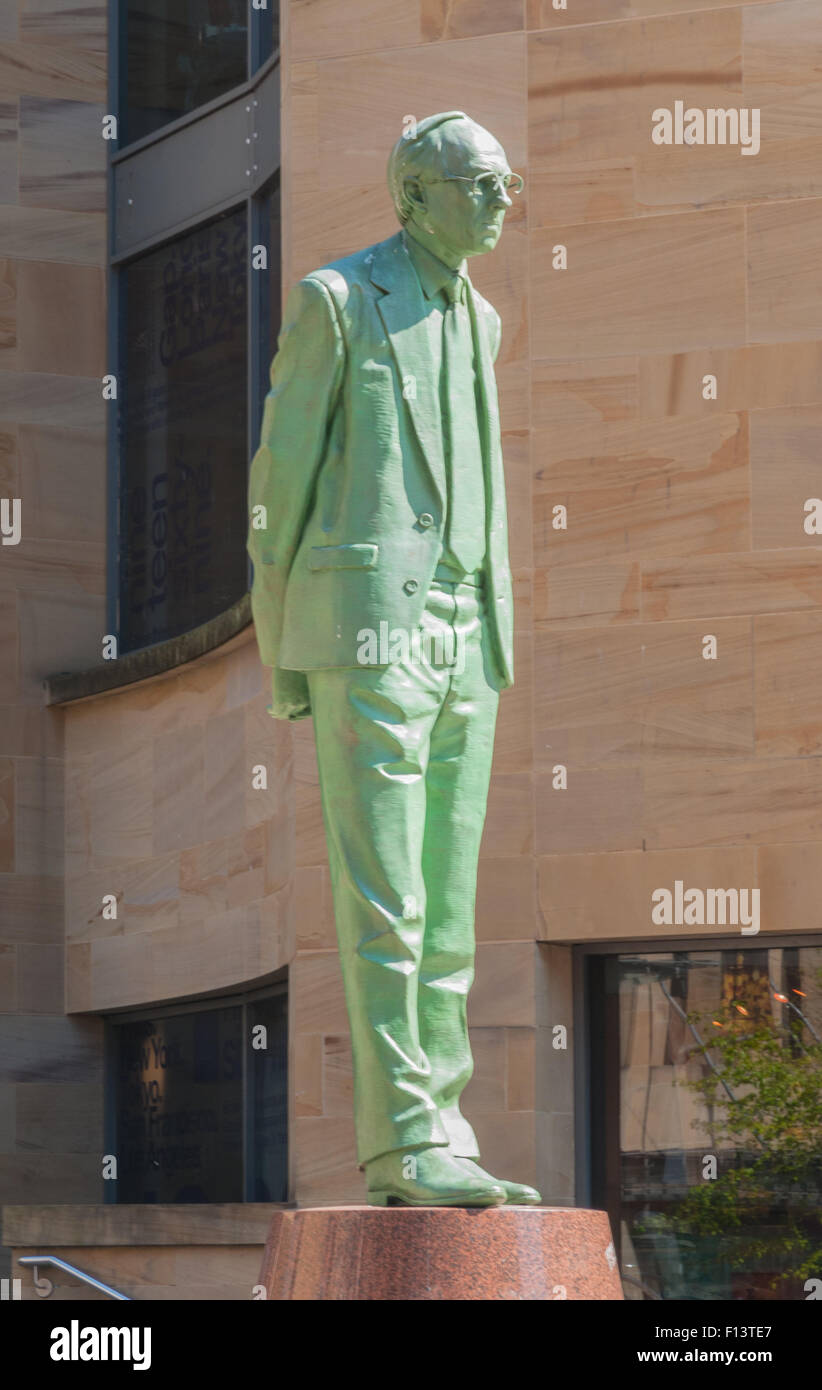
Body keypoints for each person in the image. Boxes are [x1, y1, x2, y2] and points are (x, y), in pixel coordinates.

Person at [248, 111, 540, 1207]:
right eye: (480, 182)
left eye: (508, 181)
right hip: (369, 633)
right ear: (415, 195)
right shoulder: (337, 301)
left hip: (470, 635)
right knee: (388, 900)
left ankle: (443, 1128)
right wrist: (286, 651)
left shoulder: (485, 319)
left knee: (451, 903)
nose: (504, 199)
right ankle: (401, 1141)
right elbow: (278, 489)